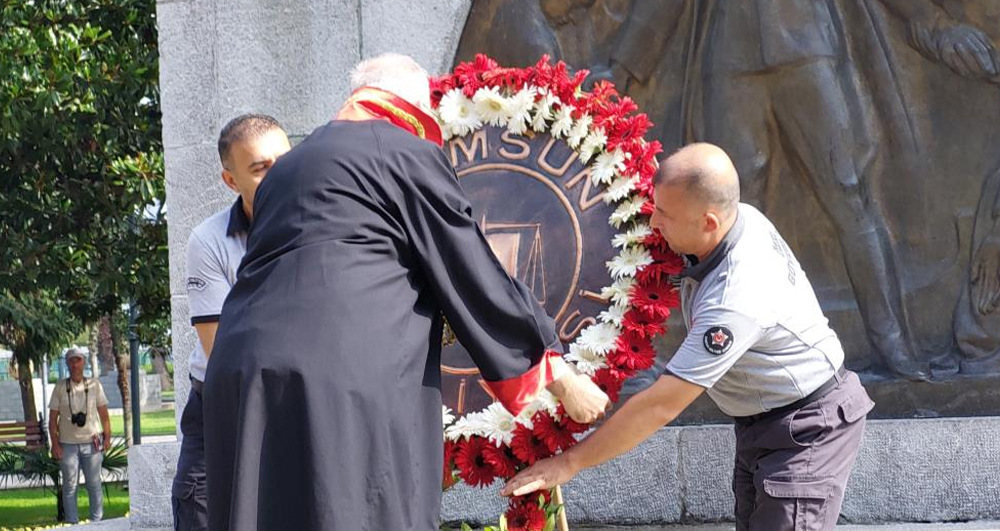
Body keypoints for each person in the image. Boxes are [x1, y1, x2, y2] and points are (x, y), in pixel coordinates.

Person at [202, 53, 609, 531]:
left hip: (243, 368)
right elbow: (468, 264)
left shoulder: (291, 168)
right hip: (338, 377)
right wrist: (556, 370)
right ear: (412, 107)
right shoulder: (400, 150)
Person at [502, 143, 875, 531]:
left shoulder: (736, 298)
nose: (654, 223)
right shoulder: (737, 216)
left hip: (806, 429)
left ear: (709, 222)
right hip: (762, 423)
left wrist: (569, 463)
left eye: (665, 214)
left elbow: (660, 406)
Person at [171, 114, 291, 531]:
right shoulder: (208, 241)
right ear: (230, 180)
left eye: (284, 162)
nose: (278, 176)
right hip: (221, 404)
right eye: (259, 168)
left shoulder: (326, 228)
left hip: (300, 402)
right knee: (203, 513)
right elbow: (222, 351)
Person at [48, 347, 112, 524]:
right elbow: (53, 419)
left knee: (94, 484)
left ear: (83, 362)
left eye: (78, 360)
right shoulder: (60, 387)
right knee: (70, 486)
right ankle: (72, 523)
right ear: (67, 363)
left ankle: (97, 523)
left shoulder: (94, 385)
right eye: (71, 360)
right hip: (67, 444)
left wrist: (107, 438)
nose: (75, 364)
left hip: (92, 442)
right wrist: (55, 444)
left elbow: (104, 415)